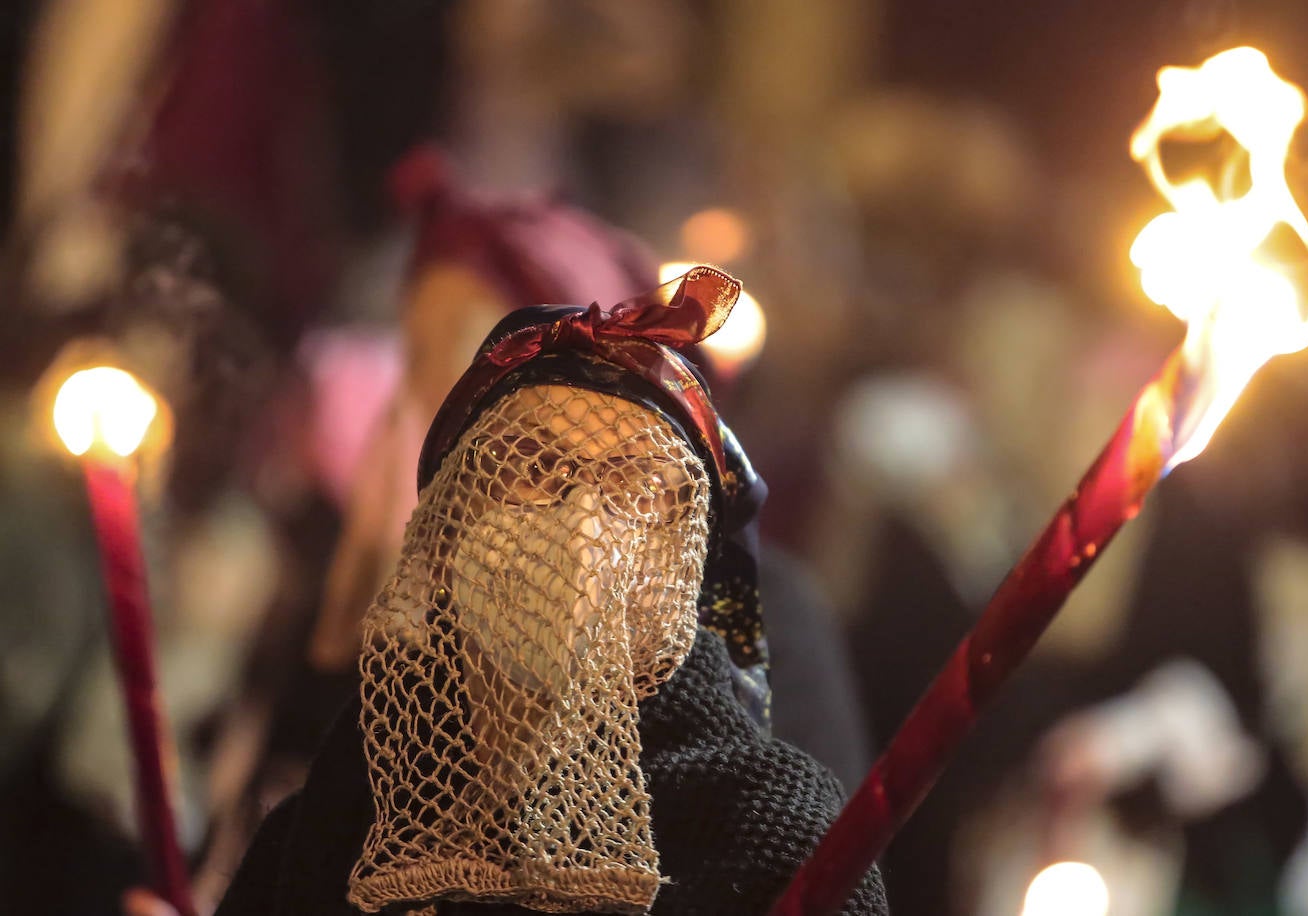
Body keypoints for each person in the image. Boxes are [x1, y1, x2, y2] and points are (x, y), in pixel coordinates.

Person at [214, 265, 887, 915]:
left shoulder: (767, 832)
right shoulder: (338, 814)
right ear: (451, 523)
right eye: (533, 468)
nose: (583, 523)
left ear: (688, 557)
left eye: (637, 490)